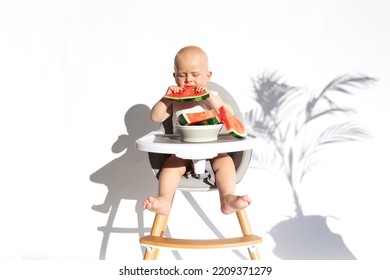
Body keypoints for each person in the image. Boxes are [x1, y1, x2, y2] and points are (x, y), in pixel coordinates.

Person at [143, 46, 251, 216]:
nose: (188, 81)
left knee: (226, 164)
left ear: (208, 76)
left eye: (195, 75)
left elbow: (228, 113)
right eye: (182, 75)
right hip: (182, 153)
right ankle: (164, 199)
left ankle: (227, 199)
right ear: (174, 76)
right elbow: (156, 117)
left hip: (213, 151)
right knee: (170, 167)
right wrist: (166, 97)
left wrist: (209, 98)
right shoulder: (175, 100)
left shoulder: (213, 96)